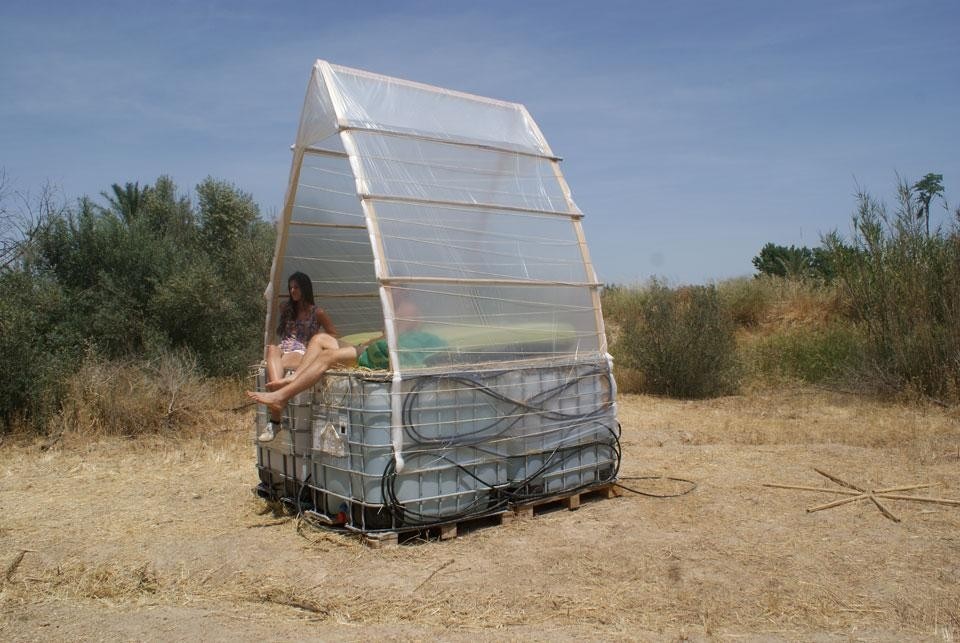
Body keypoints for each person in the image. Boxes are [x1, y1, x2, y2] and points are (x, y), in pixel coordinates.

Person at [249, 297, 445, 442]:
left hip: (378, 352)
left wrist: (377, 338)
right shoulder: (395, 304)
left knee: (326, 356)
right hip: (369, 347)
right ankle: (294, 379)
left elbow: (396, 339)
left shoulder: (408, 306)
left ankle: (281, 396)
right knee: (319, 339)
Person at [267, 272, 337, 388]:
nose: (292, 291)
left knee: (283, 364)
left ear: (305, 288)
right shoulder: (285, 308)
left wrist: (317, 341)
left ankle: (276, 391)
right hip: (284, 346)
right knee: (272, 349)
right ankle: (278, 390)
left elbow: (334, 333)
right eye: (290, 288)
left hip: (302, 349)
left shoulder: (318, 313)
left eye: (296, 287)